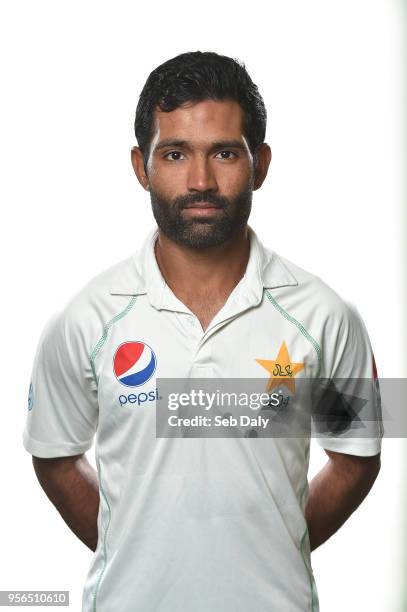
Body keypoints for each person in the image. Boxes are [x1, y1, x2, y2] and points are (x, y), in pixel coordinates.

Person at [23, 51, 383, 612]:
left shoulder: (326, 316)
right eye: (174, 154)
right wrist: (134, 548)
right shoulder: (85, 320)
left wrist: (277, 543)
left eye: (223, 153)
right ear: (141, 166)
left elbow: (358, 456)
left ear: (260, 165)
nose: (200, 180)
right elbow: (53, 454)